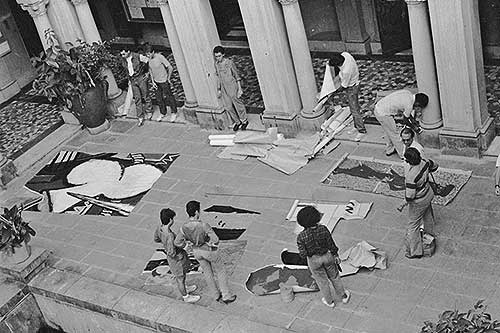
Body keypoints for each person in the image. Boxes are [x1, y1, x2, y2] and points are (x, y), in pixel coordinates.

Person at [175, 200, 237, 304]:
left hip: (196, 251)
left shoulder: (183, 228)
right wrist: (211, 243)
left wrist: (186, 247)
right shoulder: (204, 225)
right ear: (196, 212)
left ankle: (215, 294)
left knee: (207, 273)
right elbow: (216, 239)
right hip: (208, 250)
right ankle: (226, 295)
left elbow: (177, 242)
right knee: (220, 270)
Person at [296, 206, 350, 308]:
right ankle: (343, 296)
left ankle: (329, 301)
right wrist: (335, 254)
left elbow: (303, 254)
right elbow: (331, 244)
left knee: (322, 282)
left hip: (314, 261)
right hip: (327, 256)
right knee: (334, 277)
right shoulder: (323, 229)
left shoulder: (301, 237)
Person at [154, 208, 200, 303]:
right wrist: (181, 248)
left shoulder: (160, 228)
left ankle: (185, 288)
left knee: (182, 276)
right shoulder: (170, 235)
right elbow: (172, 252)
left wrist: (165, 244)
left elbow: (156, 239)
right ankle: (186, 296)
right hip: (177, 260)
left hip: (174, 259)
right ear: (170, 220)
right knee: (180, 278)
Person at [403, 147, 437, 259]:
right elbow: (435, 166)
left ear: (408, 161)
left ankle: (415, 251)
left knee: (413, 224)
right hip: (428, 193)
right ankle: (430, 236)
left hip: (419, 199)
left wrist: (404, 202)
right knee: (427, 216)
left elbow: (410, 195)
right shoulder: (425, 162)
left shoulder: (411, 175)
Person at [374, 90, 429, 158]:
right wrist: (415, 128)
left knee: (389, 131)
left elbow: (408, 116)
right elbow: (405, 120)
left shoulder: (408, 94)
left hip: (379, 107)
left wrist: (414, 123)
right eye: (419, 107)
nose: (418, 109)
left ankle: (389, 150)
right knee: (396, 134)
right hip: (383, 114)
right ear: (417, 104)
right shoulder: (409, 105)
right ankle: (403, 154)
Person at [328, 53, 366, 142]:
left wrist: (333, 91)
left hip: (352, 88)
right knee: (354, 108)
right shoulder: (345, 54)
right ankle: (356, 126)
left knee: (354, 110)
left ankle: (362, 130)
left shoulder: (346, 71)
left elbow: (343, 86)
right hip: (355, 81)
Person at [213, 46, 248, 132]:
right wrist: (219, 89)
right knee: (228, 107)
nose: (218, 58)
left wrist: (239, 89)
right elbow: (219, 77)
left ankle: (244, 120)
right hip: (224, 87)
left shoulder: (229, 63)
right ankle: (237, 121)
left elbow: (237, 75)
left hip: (232, 85)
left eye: (219, 56)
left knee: (237, 104)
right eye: (216, 56)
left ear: (223, 54)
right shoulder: (216, 64)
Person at [145, 45, 178, 123]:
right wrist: (152, 81)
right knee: (159, 99)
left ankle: (174, 112)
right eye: (146, 54)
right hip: (156, 82)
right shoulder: (149, 59)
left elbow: (170, 67)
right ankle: (163, 112)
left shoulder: (160, 57)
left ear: (153, 52)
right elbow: (150, 70)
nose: (148, 55)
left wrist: (168, 78)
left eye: (149, 54)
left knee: (169, 97)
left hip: (164, 81)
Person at [120, 48, 152, 126]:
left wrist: (147, 73)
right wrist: (129, 80)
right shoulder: (124, 60)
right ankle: (140, 117)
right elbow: (127, 71)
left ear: (128, 51)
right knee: (137, 98)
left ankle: (149, 111)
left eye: (123, 53)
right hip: (133, 80)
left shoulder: (137, 56)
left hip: (140, 78)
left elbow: (148, 61)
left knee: (145, 95)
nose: (122, 55)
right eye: (121, 54)